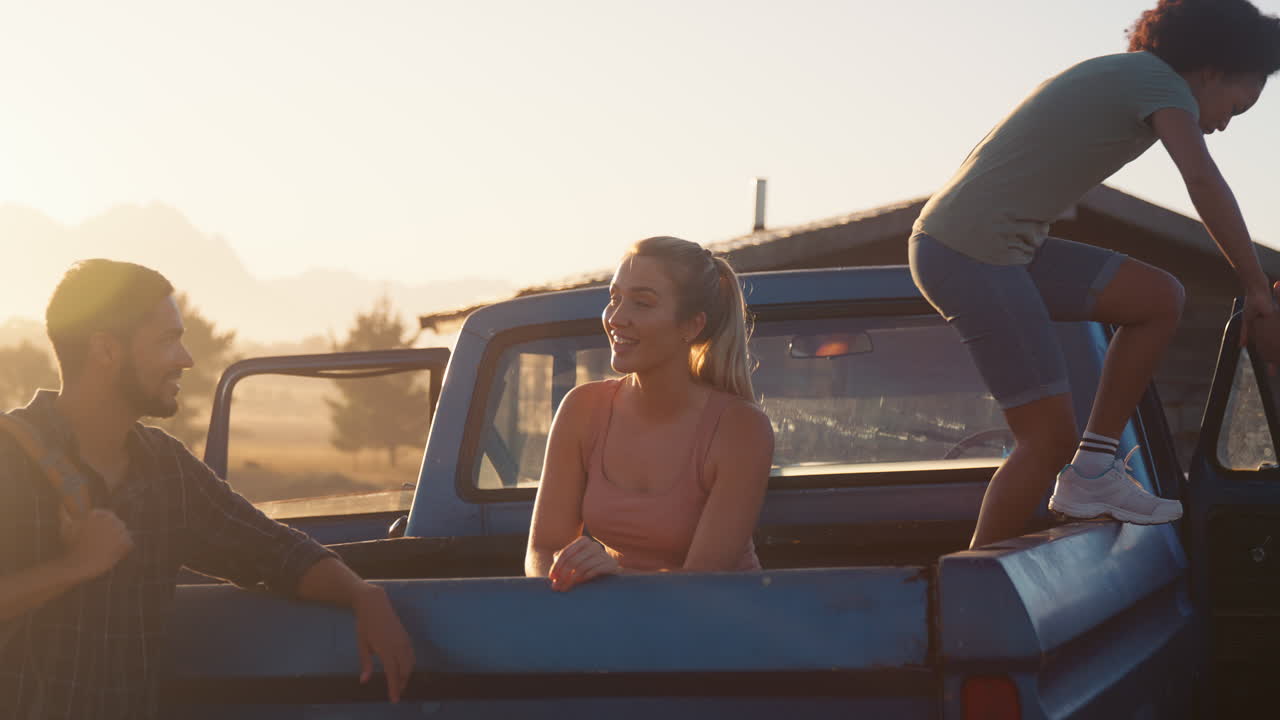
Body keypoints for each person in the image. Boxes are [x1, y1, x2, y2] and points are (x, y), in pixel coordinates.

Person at [909, 0, 1280, 548]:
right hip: (969, 250)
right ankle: (972, 585)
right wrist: (1255, 287)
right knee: (1046, 441)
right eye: (1237, 106)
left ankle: (1094, 469)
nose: (1224, 123)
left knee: (1157, 297)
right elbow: (1201, 180)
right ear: (1211, 71)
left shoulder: (1129, 76)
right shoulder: (1159, 83)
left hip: (999, 246)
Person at [0, 259, 416, 719]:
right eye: (167, 340)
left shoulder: (164, 468)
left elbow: (273, 550)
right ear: (106, 350)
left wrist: (362, 595)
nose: (186, 359)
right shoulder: (9, 460)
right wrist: (76, 567)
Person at [525, 236, 774, 591]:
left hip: (722, 619)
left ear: (691, 325)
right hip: (613, 614)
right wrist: (561, 581)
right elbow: (543, 548)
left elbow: (704, 586)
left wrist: (613, 579)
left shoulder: (740, 428)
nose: (616, 318)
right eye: (614, 298)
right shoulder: (582, 408)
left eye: (642, 303)